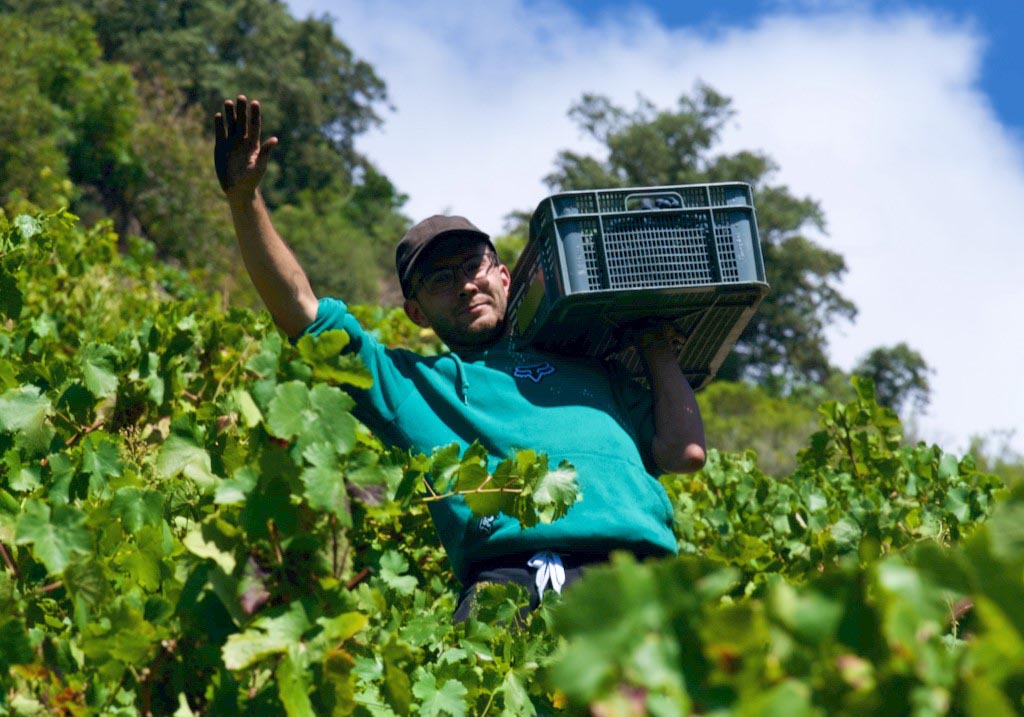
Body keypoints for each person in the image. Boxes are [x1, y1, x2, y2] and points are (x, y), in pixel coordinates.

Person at [213, 94, 706, 620]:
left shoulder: (588, 365)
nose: (465, 285)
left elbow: (684, 453)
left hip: (642, 580)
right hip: (513, 587)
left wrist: (658, 350)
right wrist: (245, 201)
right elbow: (302, 312)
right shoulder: (414, 387)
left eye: (473, 265)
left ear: (504, 276)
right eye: (440, 280)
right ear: (416, 311)